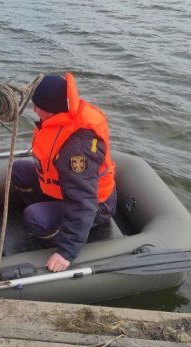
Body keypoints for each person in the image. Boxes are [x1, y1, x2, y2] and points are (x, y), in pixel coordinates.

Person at [12, 73, 117, 272]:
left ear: (52, 111)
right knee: (18, 170)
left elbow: (84, 200)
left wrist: (67, 251)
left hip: (96, 204)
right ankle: (50, 212)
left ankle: (53, 232)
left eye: (38, 107)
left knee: (34, 218)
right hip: (63, 188)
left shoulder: (77, 149)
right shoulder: (59, 118)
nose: (33, 110)